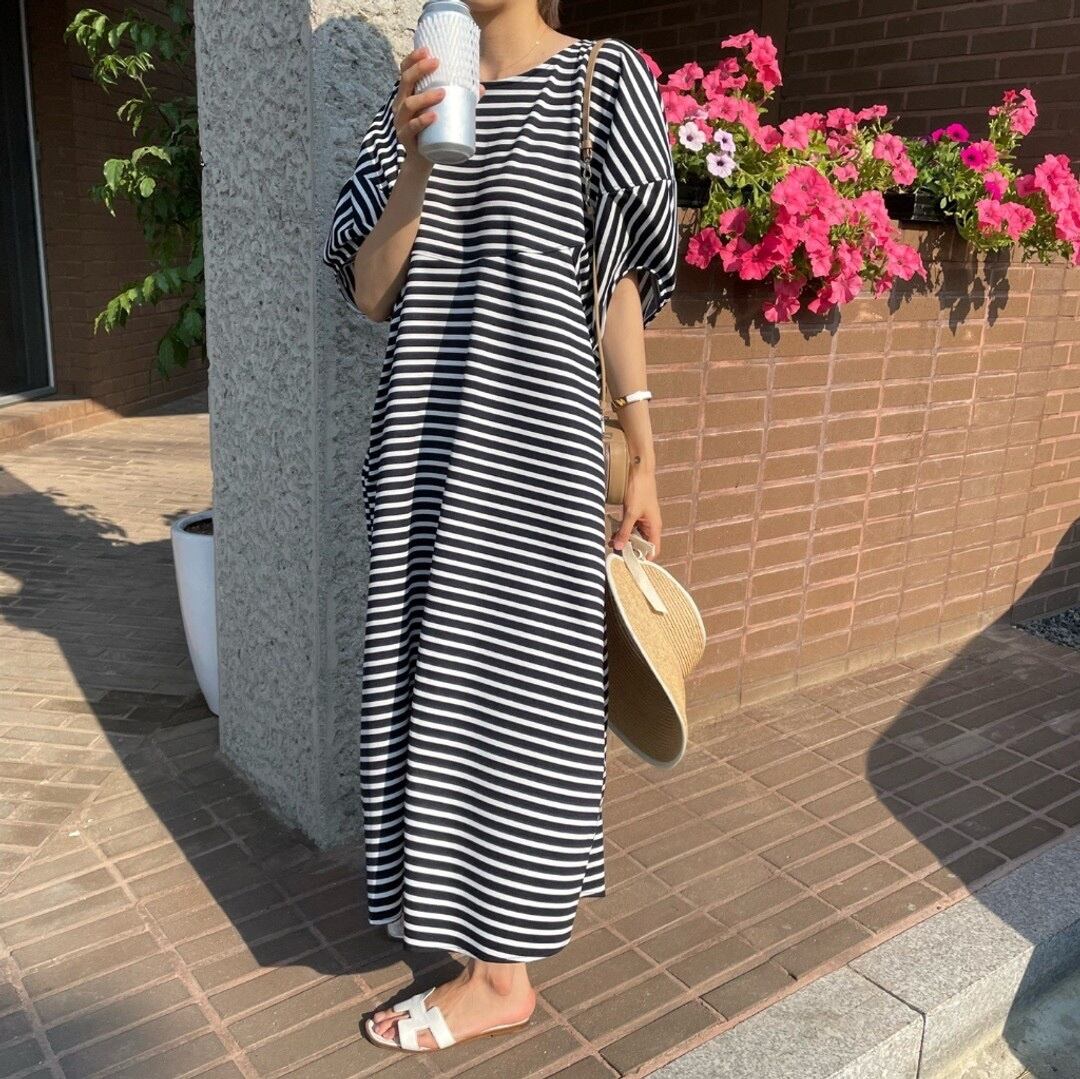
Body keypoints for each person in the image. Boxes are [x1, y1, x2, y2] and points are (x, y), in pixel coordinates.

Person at [322, 0, 679, 1054]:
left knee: (527, 703)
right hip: (426, 452)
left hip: (542, 457)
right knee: (437, 692)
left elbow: (616, 284)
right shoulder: (410, 100)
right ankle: (469, 935)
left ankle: (503, 974)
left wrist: (643, 446)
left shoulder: (604, 83)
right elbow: (371, 291)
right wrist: (413, 165)